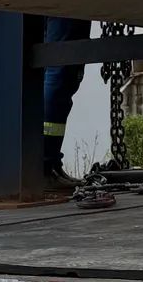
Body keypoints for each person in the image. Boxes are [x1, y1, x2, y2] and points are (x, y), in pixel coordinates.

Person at [43, 16, 92, 191]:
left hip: (69, 2)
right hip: (61, 0)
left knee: (67, 76)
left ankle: (51, 164)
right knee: (59, 74)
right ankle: (44, 166)